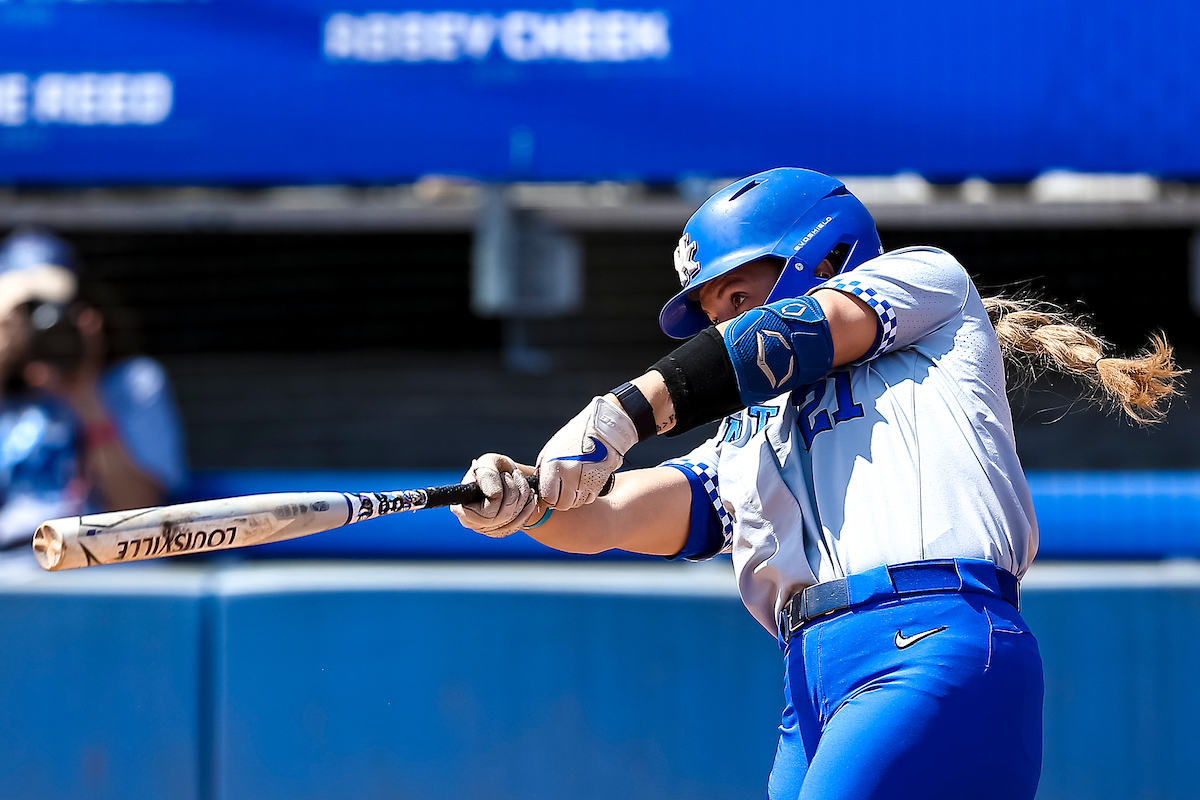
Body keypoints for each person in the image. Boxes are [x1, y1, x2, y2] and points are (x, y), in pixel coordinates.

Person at [450, 168, 1182, 799]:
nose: (724, 323)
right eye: (711, 312)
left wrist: (621, 414)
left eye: (735, 296)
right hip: (810, 687)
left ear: (824, 252)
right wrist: (527, 502)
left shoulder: (926, 285)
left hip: (927, 637)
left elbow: (797, 331)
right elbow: (609, 518)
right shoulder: (750, 434)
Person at [0, 227, 188, 561]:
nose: (35, 329)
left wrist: (85, 397)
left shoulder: (131, 383)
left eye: (45, 309)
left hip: (102, 572)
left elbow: (139, 513)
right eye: (20, 314)